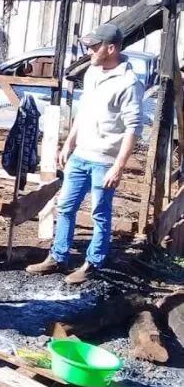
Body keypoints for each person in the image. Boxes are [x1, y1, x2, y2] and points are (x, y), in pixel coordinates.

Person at [27, 24, 143, 284]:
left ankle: (93, 262)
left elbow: (133, 127)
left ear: (111, 48)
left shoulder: (128, 82)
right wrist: (69, 142)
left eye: (94, 46)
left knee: (99, 213)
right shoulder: (91, 72)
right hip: (81, 155)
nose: (89, 50)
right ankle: (58, 256)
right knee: (65, 206)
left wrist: (119, 166)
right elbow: (84, 111)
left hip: (105, 161)